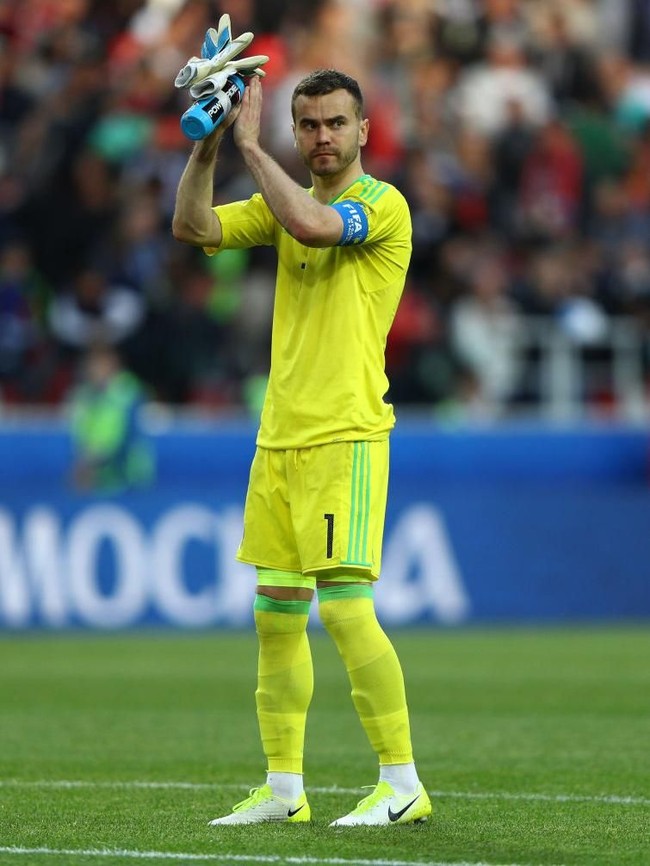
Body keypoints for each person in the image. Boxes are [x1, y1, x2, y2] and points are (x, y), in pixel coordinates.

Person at [172, 67, 431, 827]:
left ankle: (402, 781)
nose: (322, 138)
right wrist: (210, 145)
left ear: (363, 131)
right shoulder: (283, 201)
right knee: (277, 616)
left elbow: (315, 227)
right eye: (309, 125)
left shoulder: (381, 205)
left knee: (347, 611)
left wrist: (250, 146)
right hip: (280, 438)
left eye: (335, 124)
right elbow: (194, 227)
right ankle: (284, 790)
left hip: (345, 434)